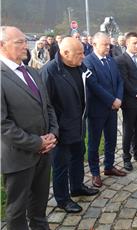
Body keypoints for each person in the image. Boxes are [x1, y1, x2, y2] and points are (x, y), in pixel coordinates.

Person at [1, 26, 59, 229]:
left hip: (44, 153)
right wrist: (36, 143)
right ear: (2, 45)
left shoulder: (33, 72)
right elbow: (3, 124)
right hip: (18, 157)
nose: (25, 45)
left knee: (39, 207)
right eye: (19, 42)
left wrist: (52, 134)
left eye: (25, 41)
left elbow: (48, 107)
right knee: (16, 212)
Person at [40, 37, 99, 213]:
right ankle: (62, 199)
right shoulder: (49, 72)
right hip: (61, 129)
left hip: (78, 123)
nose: (84, 56)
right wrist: (53, 131)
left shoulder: (80, 66)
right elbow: (45, 106)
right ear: (65, 53)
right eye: (79, 53)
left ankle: (77, 186)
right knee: (60, 165)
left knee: (78, 157)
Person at [84, 32, 126, 188]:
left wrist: (119, 99)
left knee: (112, 139)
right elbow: (94, 86)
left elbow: (119, 80)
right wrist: (112, 100)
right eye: (105, 44)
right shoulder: (88, 62)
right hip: (97, 109)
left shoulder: (111, 60)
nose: (108, 47)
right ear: (94, 44)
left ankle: (109, 166)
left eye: (109, 44)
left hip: (113, 109)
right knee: (94, 142)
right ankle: (95, 172)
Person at [114, 32, 137, 171]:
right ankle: (126, 157)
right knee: (128, 129)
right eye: (135, 43)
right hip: (130, 101)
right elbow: (124, 80)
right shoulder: (121, 60)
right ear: (127, 43)